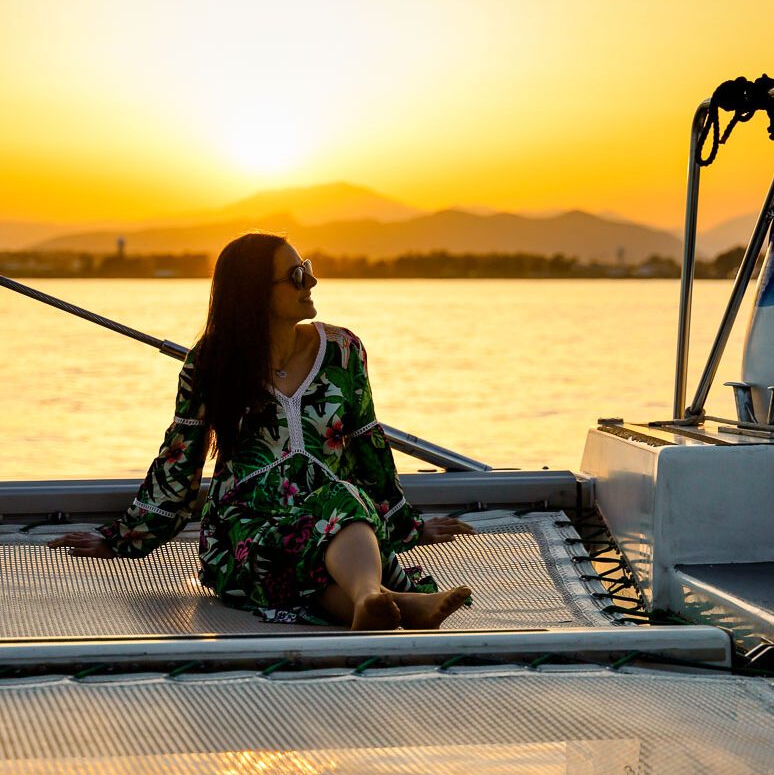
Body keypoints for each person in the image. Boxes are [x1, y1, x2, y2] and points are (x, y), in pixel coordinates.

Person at [49, 233, 474, 630]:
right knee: (311, 547)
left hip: (338, 513)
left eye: (307, 268)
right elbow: (180, 459)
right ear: (255, 294)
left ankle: (371, 599)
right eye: (296, 276)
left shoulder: (343, 351)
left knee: (341, 507)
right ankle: (389, 601)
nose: (311, 281)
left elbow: (369, 445)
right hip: (248, 525)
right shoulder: (211, 363)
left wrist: (408, 525)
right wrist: (121, 538)